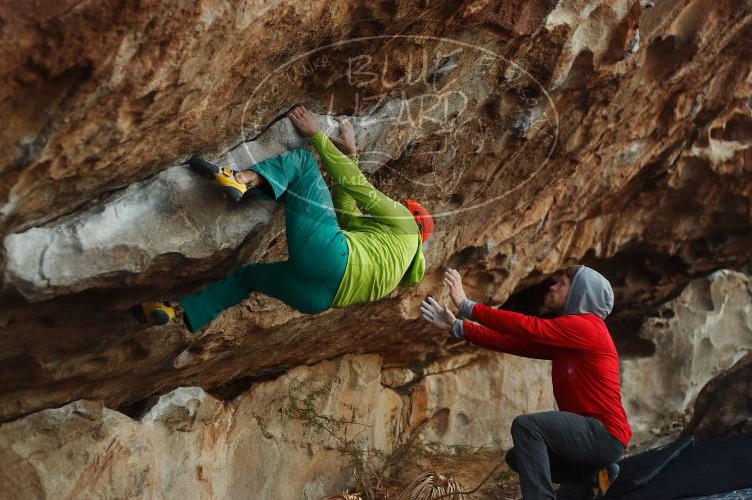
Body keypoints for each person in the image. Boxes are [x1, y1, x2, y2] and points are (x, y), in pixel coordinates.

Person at [134, 105, 434, 331]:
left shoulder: (404, 225)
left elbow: (353, 186)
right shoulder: (395, 264)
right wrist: (351, 154)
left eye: (402, 205)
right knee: (246, 278)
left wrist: (316, 135)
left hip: (332, 259)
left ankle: (242, 178)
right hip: (315, 299)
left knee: (302, 164)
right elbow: (343, 213)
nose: (396, 203)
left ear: (412, 215)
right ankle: (177, 309)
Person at [420, 265, 630, 499]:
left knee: (528, 426)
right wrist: (458, 327)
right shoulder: (572, 335)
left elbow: (529, 327)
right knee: (519, 457)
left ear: (581, 293)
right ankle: (596, 475)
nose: (552, 286)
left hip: (603, 433)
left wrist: (468, 307)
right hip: (595, 438)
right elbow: (515, 343)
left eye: (561, 283)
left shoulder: (587, 327)